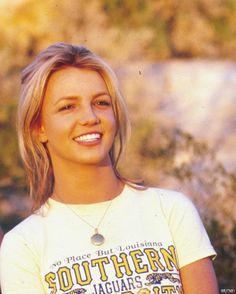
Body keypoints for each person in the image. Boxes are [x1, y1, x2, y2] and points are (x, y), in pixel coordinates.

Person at [0, 43, 218, 294]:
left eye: (101, 103)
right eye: (68, 107)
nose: (90, 117)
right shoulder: (23, 245)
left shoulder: (171, 211)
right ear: (39, 128)